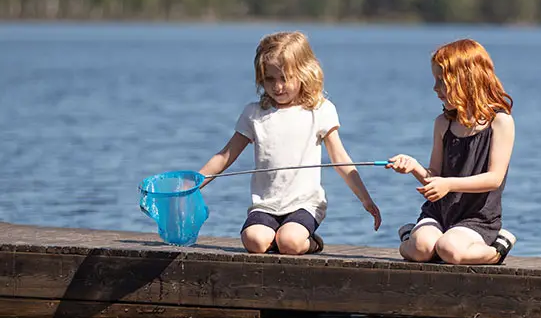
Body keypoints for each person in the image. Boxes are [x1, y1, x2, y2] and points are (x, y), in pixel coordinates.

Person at [198, 31, 382, 255]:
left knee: (291, 243)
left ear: (304, 73)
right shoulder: (254, 114)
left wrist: (365, 199)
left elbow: (339, 159)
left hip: (304, 204)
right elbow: (225, 156)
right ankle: (274, 237)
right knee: (253, 241)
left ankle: (312, 242)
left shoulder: (320, 110)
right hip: (266, 205)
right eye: (270, 79)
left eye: (285, 78)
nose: (277, 86)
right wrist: (193, 185)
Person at [386, 39, 516, 265]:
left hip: (476, 218)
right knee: (420, 249)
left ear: (467, 80)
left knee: (450, 250)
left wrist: (449, 184)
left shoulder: (500, 122)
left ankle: (497, 248)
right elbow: (434, 178)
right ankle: (410, 235)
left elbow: (494, 179)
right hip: (439, 214)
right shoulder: (442, 124)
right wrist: (414, 167)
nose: (435, 88)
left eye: (441, 81)